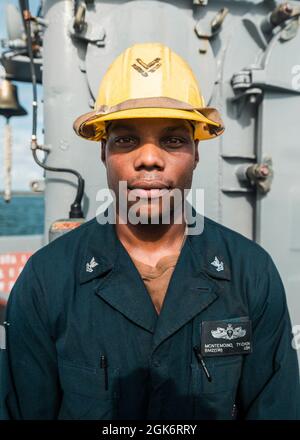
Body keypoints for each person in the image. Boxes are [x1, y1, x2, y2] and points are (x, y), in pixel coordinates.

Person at [0, 42, 299, 420]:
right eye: (126, 140)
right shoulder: (46, 280)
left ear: (196, 152)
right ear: (103, 152)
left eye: (173, 140)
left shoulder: (251, 273)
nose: (149, 159)